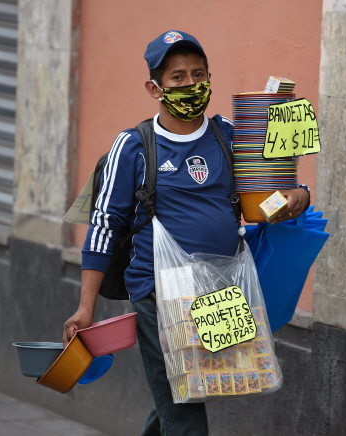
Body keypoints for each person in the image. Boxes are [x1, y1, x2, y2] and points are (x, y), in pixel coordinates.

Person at [63, 30, 310, 436]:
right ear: (154, 87)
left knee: (185, 395)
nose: (191, 85)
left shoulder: (229, 135)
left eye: (199, 74)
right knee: (185, 411)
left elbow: (266, 197)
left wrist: (297, 195)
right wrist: (84, 307)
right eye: (177, 77)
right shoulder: (134, 147)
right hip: (159, 295)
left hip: (221, 292)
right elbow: (103, 227)